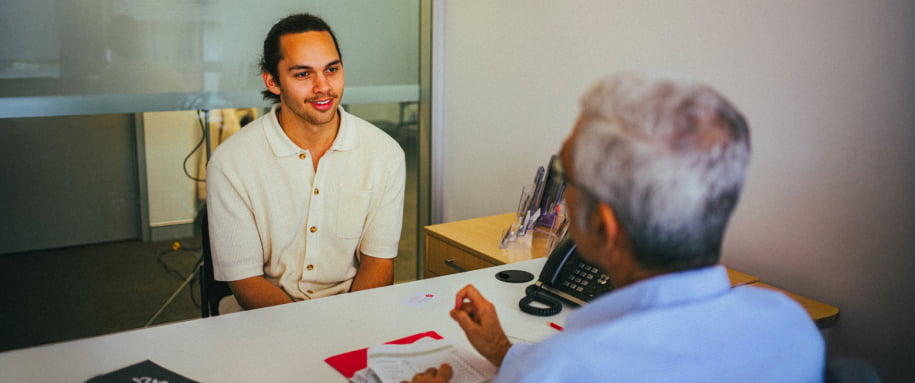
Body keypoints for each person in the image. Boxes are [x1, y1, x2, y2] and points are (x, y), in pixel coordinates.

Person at [410, 74, 824, 382]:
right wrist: (503, 350)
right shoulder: (790, 325)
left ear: (602, 224)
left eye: (565, 174)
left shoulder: (569, 368)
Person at [206, 13, 405, 313]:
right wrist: (309, 337)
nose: (323, 86)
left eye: (332, 69)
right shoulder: (230, 163)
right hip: (263, 319)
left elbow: (378, 265)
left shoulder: (384, 154)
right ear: (272, 81)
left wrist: (348, 329)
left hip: (352, 314)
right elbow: (245, 281)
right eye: (303, 74)